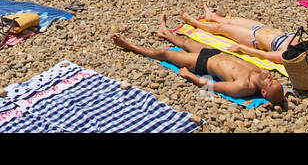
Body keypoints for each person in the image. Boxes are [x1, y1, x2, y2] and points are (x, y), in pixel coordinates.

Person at [112, 15, 285, 107]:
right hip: (215, 52)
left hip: (202, 64)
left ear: (263, 93)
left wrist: (189, 75)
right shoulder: (259, 71)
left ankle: (128, 45)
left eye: (270, 83)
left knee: (164, 53)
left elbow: (213, 87)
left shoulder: (243, 87)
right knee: (186, 42)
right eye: (275, 80)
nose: (271, 78)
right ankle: (164, 32)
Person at [176, 8, 301, 63]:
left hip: (253, 38)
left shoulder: (285, 55)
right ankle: (212, 16)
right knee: (232, 20)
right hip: (262, 28)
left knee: (221, 28)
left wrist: (241, 47)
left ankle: (193, 22)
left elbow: (264, 55)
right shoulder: (300, 42)